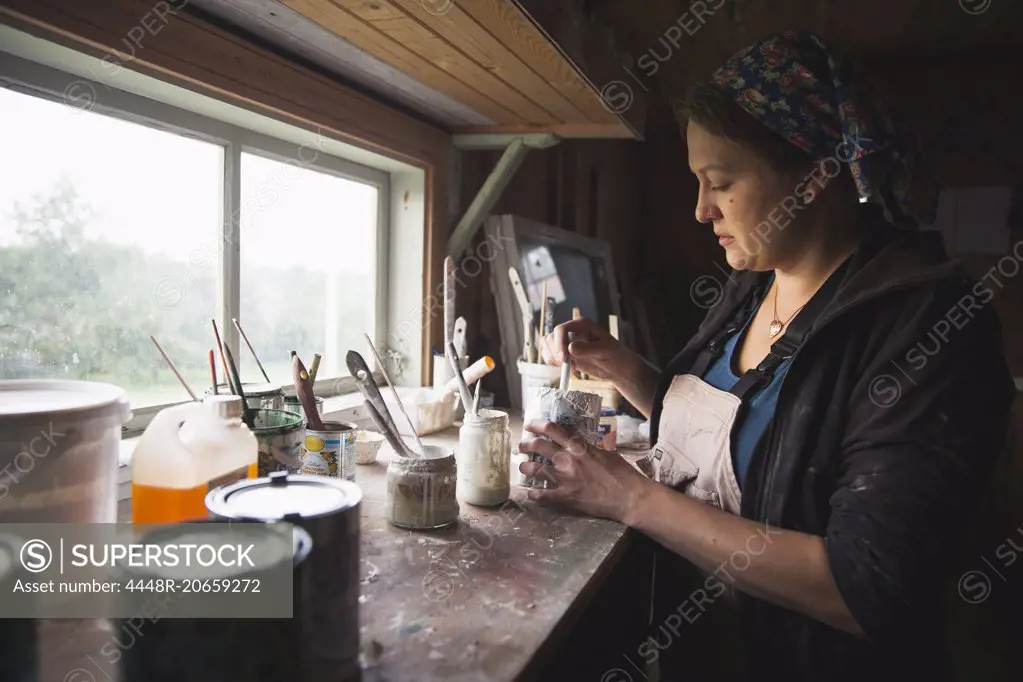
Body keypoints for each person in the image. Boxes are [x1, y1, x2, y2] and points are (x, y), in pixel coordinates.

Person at [518, 30, 1015, 681]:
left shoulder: (923, 329)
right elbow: (748, 430)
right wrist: (625, 368)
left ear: (814, 177)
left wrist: (630, 500)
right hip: (706, 649)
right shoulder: (751, 286)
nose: (699, 210)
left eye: (719, 182)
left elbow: (865, 587)